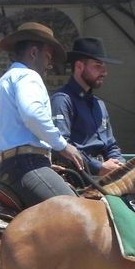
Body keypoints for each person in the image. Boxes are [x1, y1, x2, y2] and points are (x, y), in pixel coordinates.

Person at [0, 22, 83, 208]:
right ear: (34, 53)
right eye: (48, 57)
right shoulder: (28, 76)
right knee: (78, 213)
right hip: (26, 166)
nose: (49, 65)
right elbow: (32, 115)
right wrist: (62, 146)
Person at [50, 37, 125, 177]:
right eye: (98, 66)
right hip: (78, 177)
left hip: (103, 174)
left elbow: (111, 146)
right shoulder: (62, 100)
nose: (104, 72)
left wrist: (120, 165)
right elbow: (61, 146)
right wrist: (98, 167)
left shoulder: (99, 104)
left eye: (104, 66)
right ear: (79, 66)